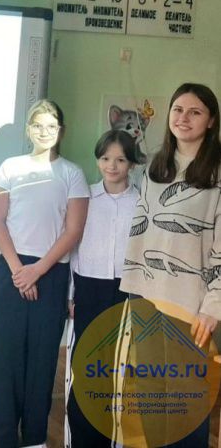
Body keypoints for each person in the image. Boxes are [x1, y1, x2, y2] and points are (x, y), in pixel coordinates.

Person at [121, 82, 221, 447]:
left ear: (211, 121)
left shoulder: (217, 173)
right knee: (151, 387)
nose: (184, 118)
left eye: (195, 112)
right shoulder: (155, 166)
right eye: (178, 110)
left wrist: (213, 306)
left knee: (185, 394)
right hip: (145, 294)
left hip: (191, 303)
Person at [0, 99, 89, 448]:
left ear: (61, 130)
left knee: (43, 360)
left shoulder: (72, 173)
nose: (44, 132)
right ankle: (5, 438)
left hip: (51, 272)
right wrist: (19, 271)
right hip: (12, 270)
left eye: (51, 126)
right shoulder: (10, 168)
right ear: (28, 129)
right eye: (37, 125)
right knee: (8, 358)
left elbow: (73, 231)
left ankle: (34, 439)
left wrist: (38, 271)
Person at [65, 129, 139, 447]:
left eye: (120, 159)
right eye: (106, 158)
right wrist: (70, 294)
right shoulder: (84, 199)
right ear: (97, 161)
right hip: (89, 288)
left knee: (119, 371)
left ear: (132, 164)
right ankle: (83, 440)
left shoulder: (143, 202)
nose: (112, 166)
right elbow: (72, 247)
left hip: (127, 290)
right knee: (87, 368)